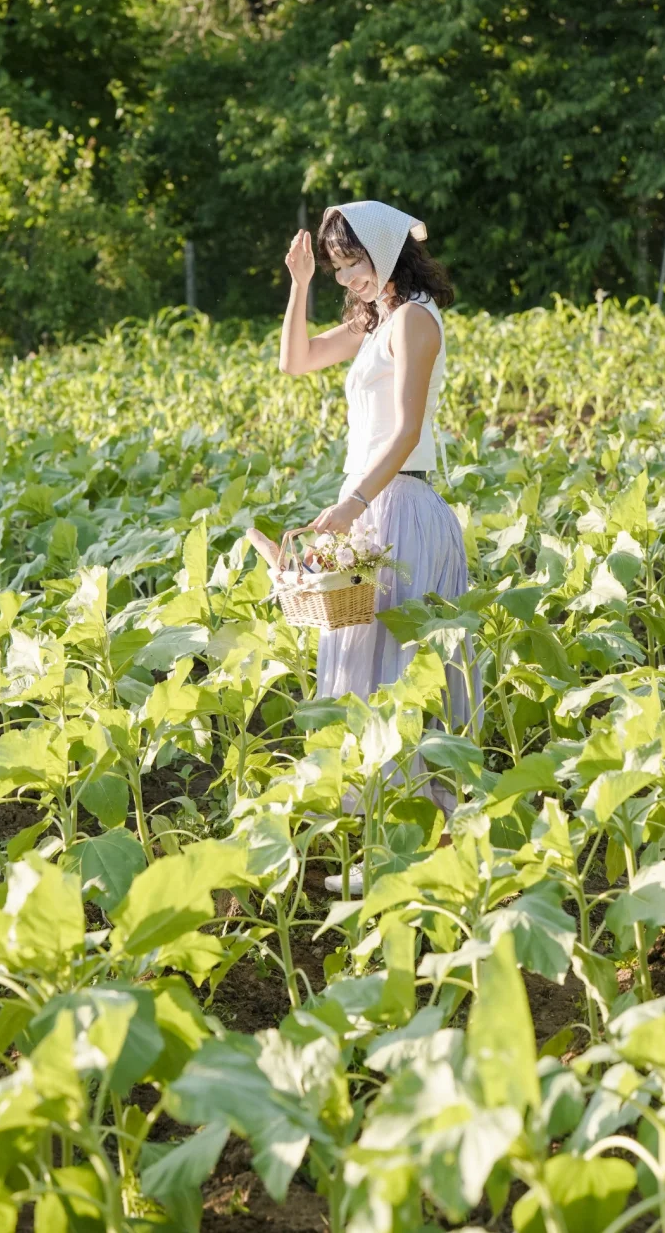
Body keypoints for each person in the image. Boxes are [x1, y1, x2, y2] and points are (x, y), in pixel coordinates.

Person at [276, 201, 474, 892]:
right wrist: (299, 284)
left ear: (387, 252)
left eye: (353, 262)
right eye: (338, 267)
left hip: (402, 509)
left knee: (400, 674)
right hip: (367, 511)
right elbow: (295, 362)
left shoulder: (415, 320)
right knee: (362, 671)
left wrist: (353, 502)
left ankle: (425, 853)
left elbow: (406, 428)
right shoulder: (375, 324)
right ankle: (384, 854)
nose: (347, 278)